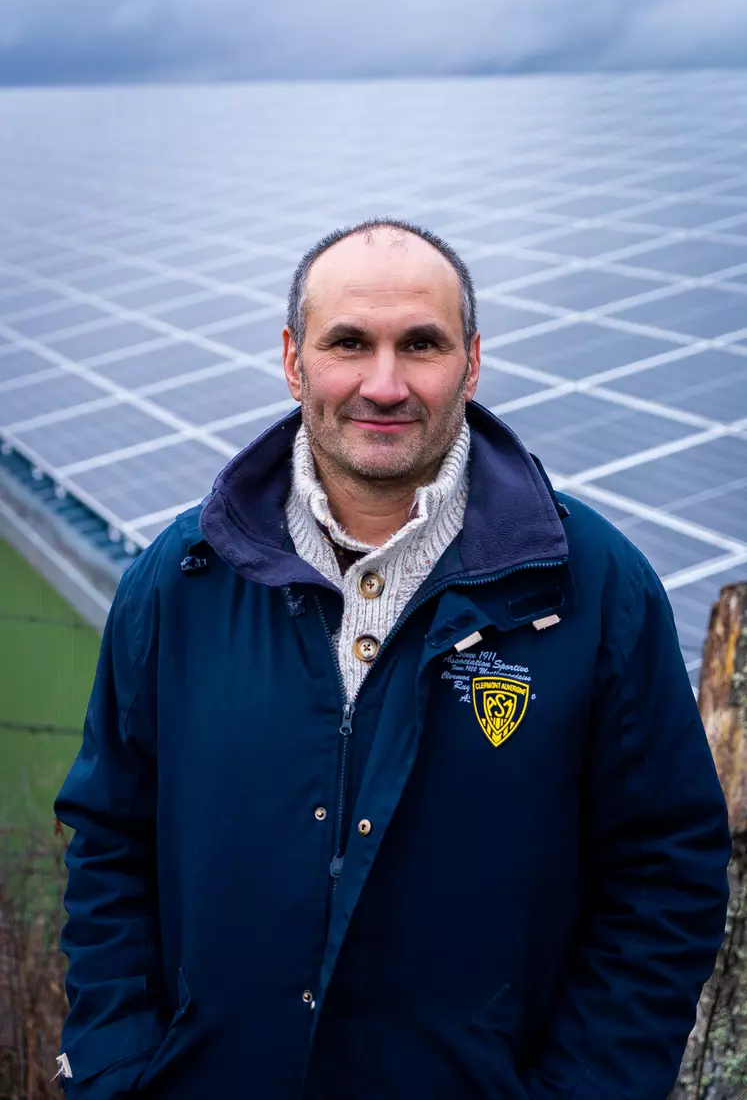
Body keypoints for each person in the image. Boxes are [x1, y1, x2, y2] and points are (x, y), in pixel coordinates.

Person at [55, 219, 731, 1100]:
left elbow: (663, 871)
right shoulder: (180, 580)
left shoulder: (593, 588)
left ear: (472, 362)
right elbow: (109, 838)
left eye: (421, 344)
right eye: (348, 344)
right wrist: (113, 1070)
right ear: (294, 360)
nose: (383, 384)